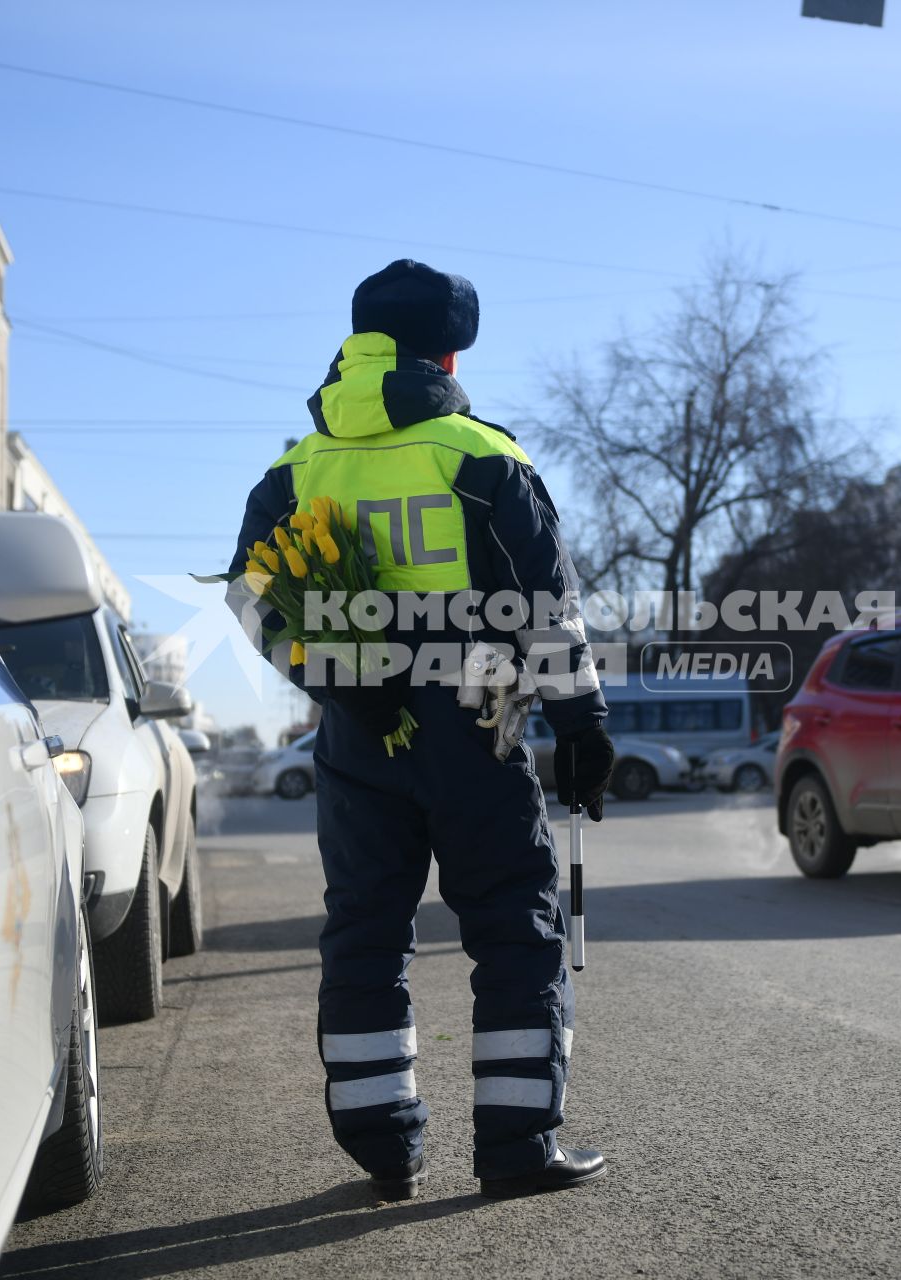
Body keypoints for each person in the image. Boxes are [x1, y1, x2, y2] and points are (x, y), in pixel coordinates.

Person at [226, 260, 616, 1199]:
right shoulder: (477, 454)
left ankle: (384, 1145)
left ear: (359, 344)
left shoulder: (294, 468)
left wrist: (338, 678)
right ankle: (519, 1146)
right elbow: (542, 606)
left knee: (365, 932)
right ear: (448, 350)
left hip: (359, 735)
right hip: (475, 725)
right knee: (517, 928)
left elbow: (250, 601)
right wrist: (580, 722)